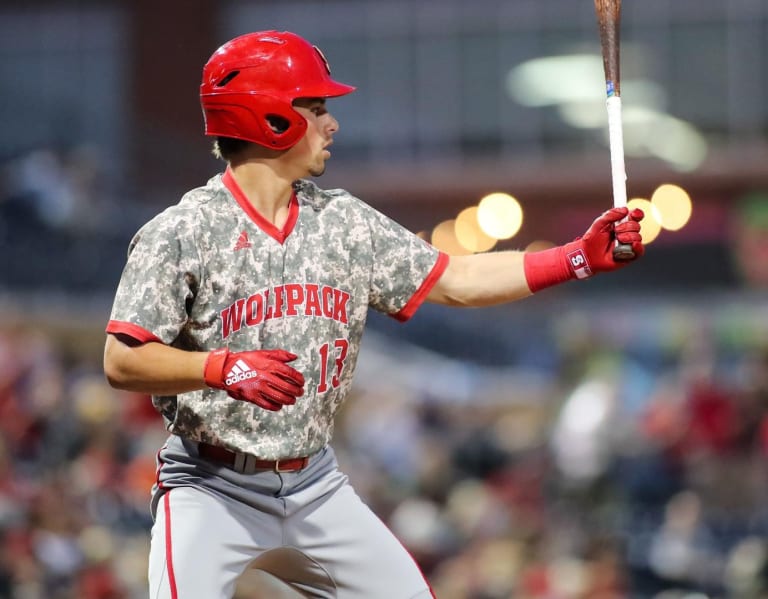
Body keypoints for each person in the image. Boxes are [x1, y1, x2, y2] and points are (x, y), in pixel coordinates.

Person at [102, 30, 644, 599]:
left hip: (313, 484)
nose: (331, 123)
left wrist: (577, 258)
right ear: (269, 117)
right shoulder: (181, 232)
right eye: (315, 108)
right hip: (210, 487)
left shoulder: (344, 221)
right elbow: (122, 360)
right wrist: (222, 369)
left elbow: (455, 280)